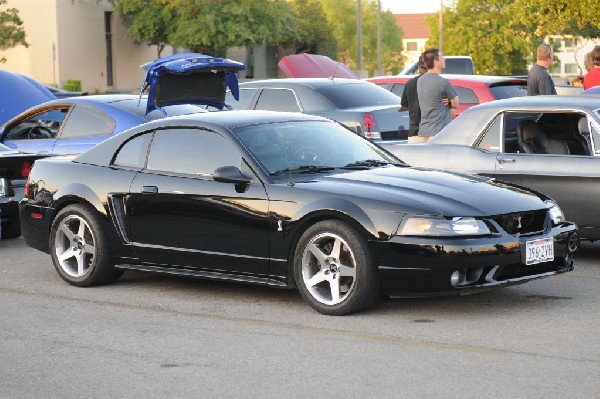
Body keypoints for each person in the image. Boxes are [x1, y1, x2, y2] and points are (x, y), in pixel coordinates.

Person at [415, 48, 459, 142]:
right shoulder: (443, 82)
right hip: (439, 134)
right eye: (441, 57)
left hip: (423, 132)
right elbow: (456, 104)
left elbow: (432, 98)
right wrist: (450, 101)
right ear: (435, 62)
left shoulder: (420, 81)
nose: (445, 59)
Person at [400, 55, 426, 143]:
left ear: (419, 68)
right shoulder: (437, 82)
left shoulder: (410, 83)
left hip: (414, 132)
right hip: (431, 133)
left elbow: (404, 104)